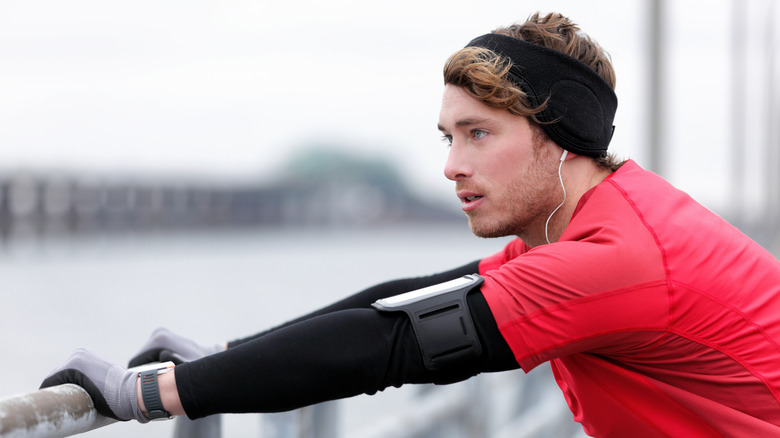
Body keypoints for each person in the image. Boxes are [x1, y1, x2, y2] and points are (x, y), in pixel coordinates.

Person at [41, 12, 780, 437]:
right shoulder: (599, 218)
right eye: (446, 137)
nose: (452, 165)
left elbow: (393, 346)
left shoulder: (617, 260)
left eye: (478, 134)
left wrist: (148, 394)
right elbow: (413, 298)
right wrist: (221, 357)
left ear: (557, 133)